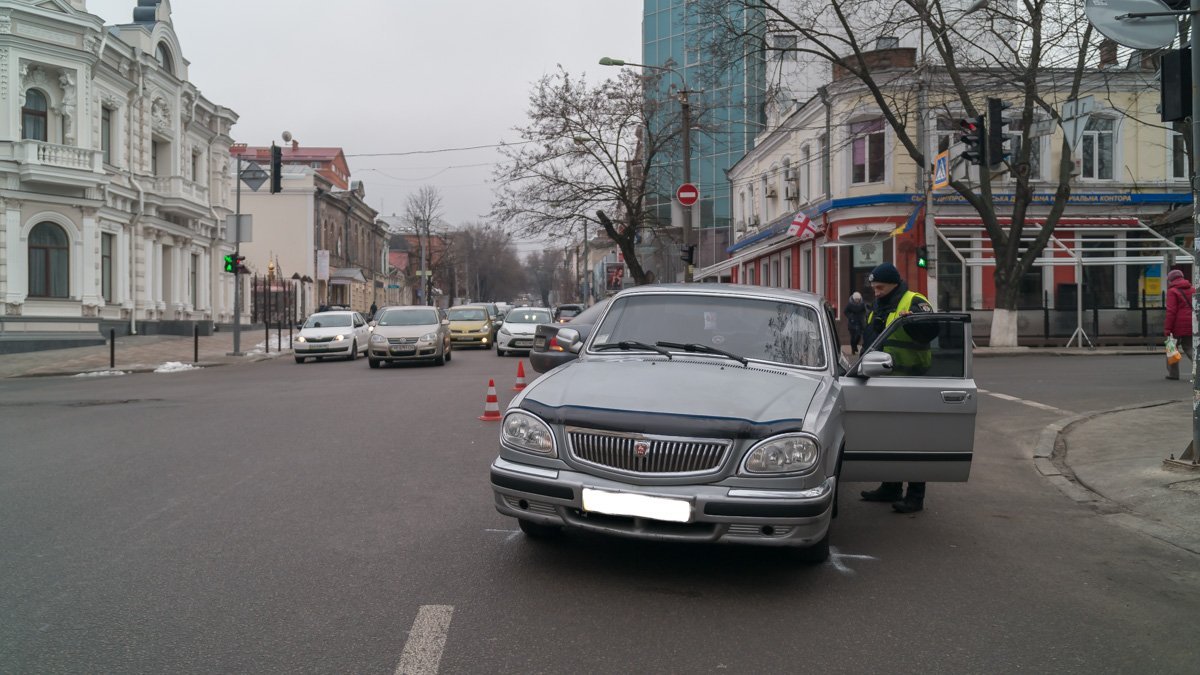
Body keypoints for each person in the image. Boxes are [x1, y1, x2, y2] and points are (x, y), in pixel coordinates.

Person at [858, 261, 935, 514]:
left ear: (893, 284)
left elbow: (931, 330)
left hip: (911, 382)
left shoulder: (914, 301)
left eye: (880, 287)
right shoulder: (879, 304)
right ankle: (890, 487)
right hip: (883, 380)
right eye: (874, 287)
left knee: (914, 441)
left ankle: (915, 496)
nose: (876, 291)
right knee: (888, 439)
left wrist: (913, 322)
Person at [1164, 269, 1194, 380]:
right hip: (1192, 323)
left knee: (1172, 348)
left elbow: (1171, 311)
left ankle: (1173, 374)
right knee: (1190, 347)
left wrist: (1167, 328)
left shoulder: (1172, 291)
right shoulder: (1192, 290)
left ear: (1171, 280)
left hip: (1176, 325)